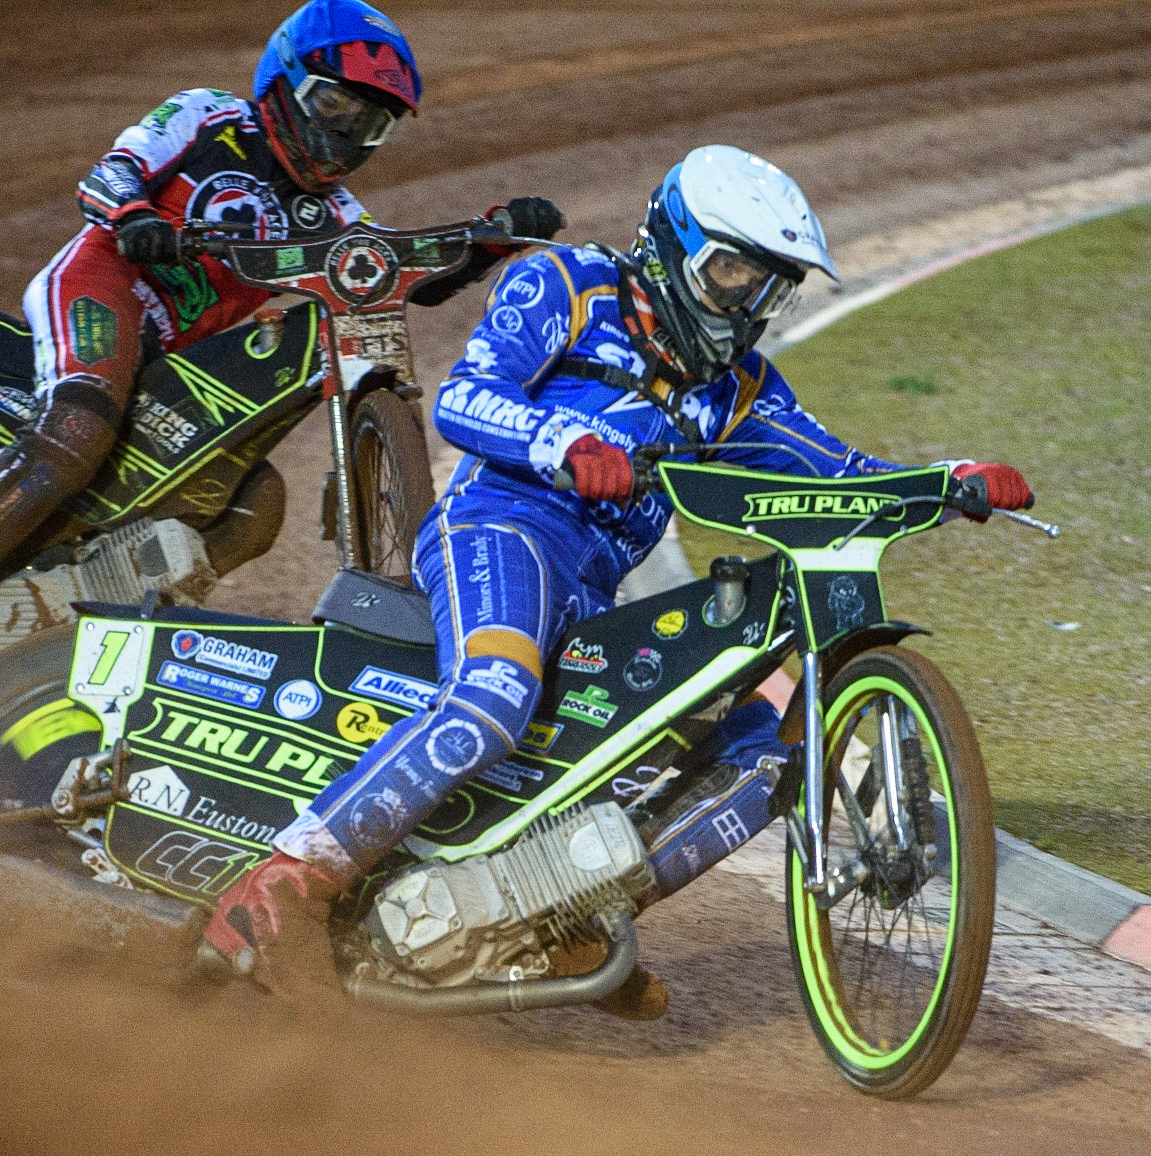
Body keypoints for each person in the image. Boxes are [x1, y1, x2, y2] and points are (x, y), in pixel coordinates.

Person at [203, 144, 1034, 1000]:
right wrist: (561, 442)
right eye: (731, 273)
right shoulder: (568, 284)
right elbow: (462, 396)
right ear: (673, 243)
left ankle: (555, 916)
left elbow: (839, 473)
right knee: (492, 694)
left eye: (767, 287)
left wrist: (950, 482)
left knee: (767, 755)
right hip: (498, 528)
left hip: (596, 594)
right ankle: (282, 890)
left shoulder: (742, 388)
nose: (745, 303)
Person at [0, 0, 563, 716]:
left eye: (368, 122)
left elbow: (392, 273)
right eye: (334, 104)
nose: (344, 134)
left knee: (255, 502)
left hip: (176, 356)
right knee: (77, 430)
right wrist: (137, 218)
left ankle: (71, 623)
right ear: (282, 80)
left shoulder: (333, 214)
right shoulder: (208, 116)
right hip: (103, 283)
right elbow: (110, 175)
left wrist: (488, 242)